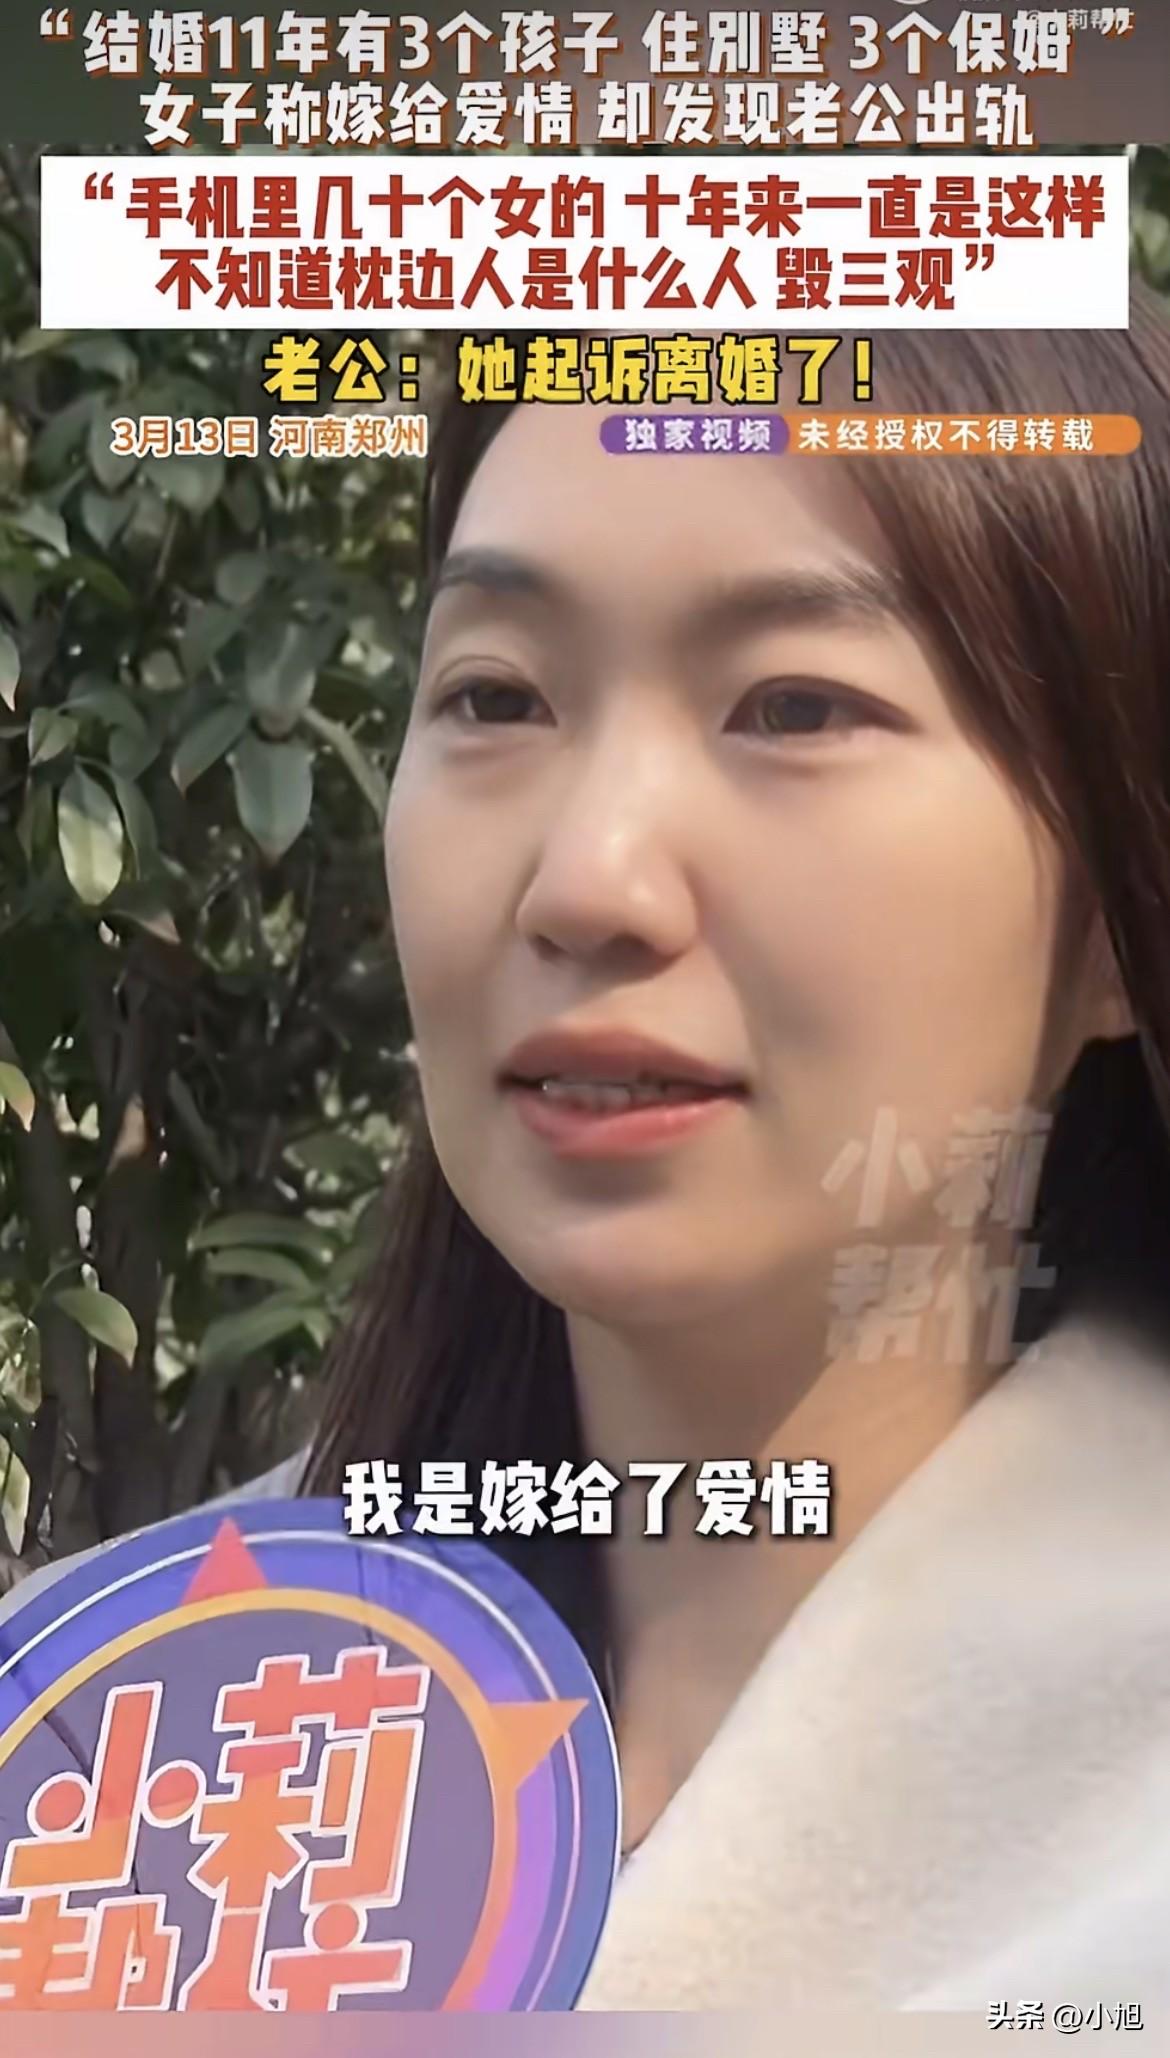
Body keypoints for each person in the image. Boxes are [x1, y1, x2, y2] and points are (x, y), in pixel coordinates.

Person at [4, 292, 1170, 2010]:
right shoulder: (91, 1734)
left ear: (1112, 916)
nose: (588, 881)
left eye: (794, 707)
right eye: (495, 696)